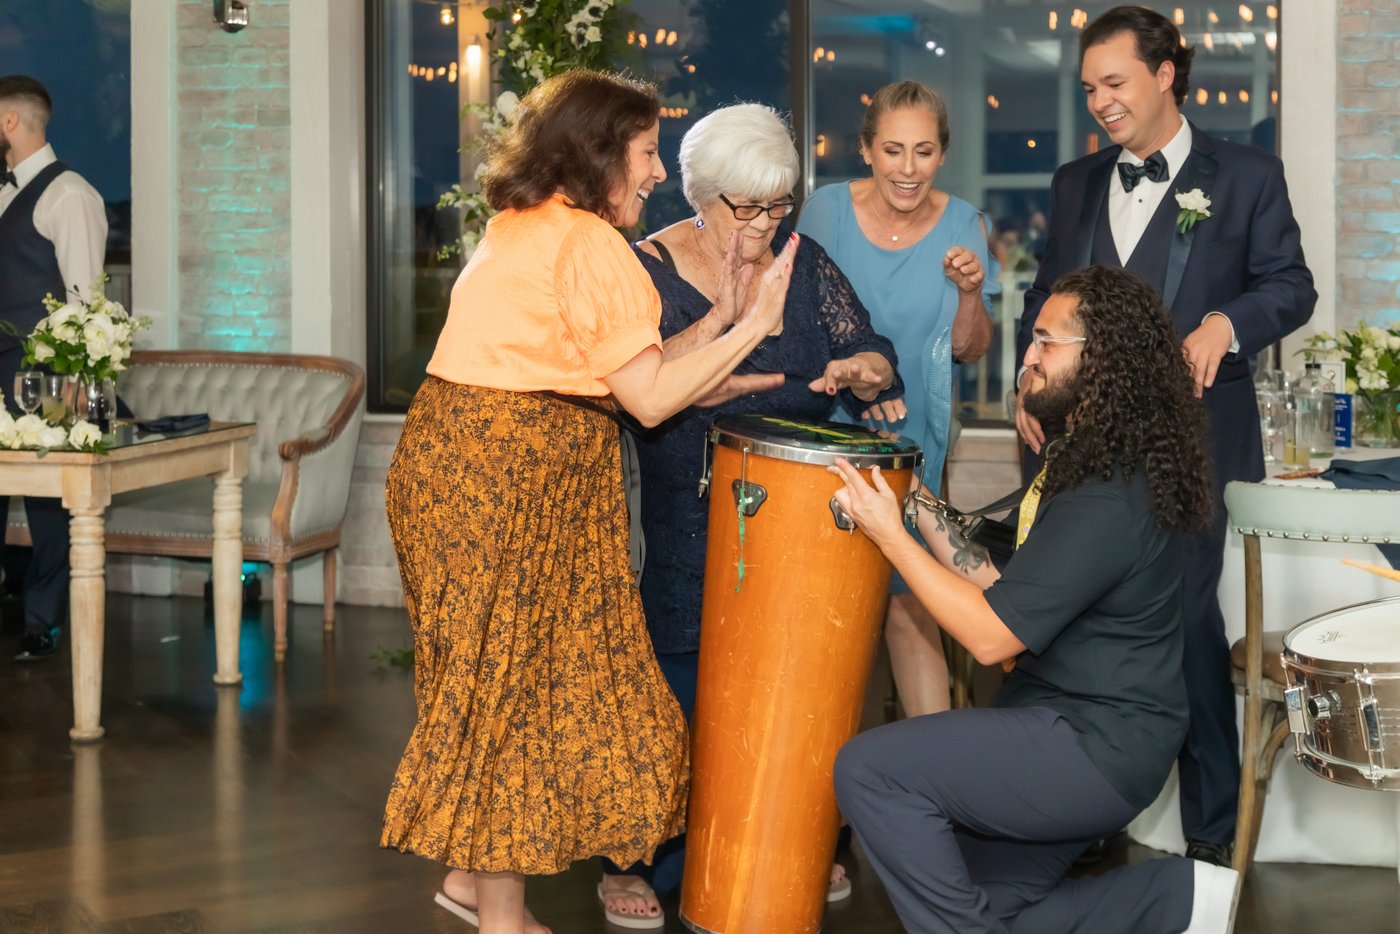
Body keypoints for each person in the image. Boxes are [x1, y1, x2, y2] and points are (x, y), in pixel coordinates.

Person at [379, 70, 798, 934]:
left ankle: (473, 879)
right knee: (513, 687)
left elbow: (617, 373)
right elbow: (647, 400)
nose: (655, 173)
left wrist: (719, 319)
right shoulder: (590, 244)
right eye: (646, 152)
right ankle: (501, 916)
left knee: (510, 684)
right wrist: (755, 323)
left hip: (473, 464)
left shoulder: (524, 226)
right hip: (508, 478)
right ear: (602, 150)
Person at [829, 264, 1241, 934]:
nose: (1029, 355)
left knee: (871, 770)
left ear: (1101, 360)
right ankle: (1177, 899)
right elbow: (1006, 595)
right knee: (993, 909)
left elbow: (991, 637)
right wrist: (915, 503)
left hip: (1093, 747)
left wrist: (888, 537)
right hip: (1069, 727)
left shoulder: (1109, 490)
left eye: (1048, 341)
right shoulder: (1088, 460)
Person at [1013, 5, 1316, 866]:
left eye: (1114, 84)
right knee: (1077, 625)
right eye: (1089, 89)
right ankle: (1073, 817)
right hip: (1086, 456)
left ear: (1165, 75)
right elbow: (1048, 298)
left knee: (1182, 622)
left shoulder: (1248, 175)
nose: (1100, 102)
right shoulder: (1073, 183)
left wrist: (1227, 321)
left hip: (1195, 450)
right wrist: (1031, 385)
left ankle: (1211, 836)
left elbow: (1291, 285)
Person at [600, 102, 904, 927]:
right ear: (699, 195)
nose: (766, 223)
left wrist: (869, 370)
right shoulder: (647, 266)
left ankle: (793, 842)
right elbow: (643, 385)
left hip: (800, 520)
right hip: (691, 509)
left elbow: (869, 346)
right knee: (680, 685)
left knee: (792, 687)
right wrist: (730, 322)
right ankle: (640, 855)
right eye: (748, 207)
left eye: (779, 205)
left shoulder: (803, 263)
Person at [797, 81, 993, 719]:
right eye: (893, 150)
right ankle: (815, 793)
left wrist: (968, 293)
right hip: (826, 432)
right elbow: (794, 326)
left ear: (942, 155)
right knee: (824, 610)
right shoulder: (824, 211)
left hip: (914, 442)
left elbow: (970, 350)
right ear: (865, 150)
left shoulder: (965, 224)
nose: (908, 169)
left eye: (925, 152)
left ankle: (934, 780)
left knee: (911, 608)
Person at [0, 75, 107, 662]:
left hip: (50, 371)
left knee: (50, 504)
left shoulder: (70, 194)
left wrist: (77, 391)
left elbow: (85, 300)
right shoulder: (3, 192)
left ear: (10, 122)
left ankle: (43, 622)